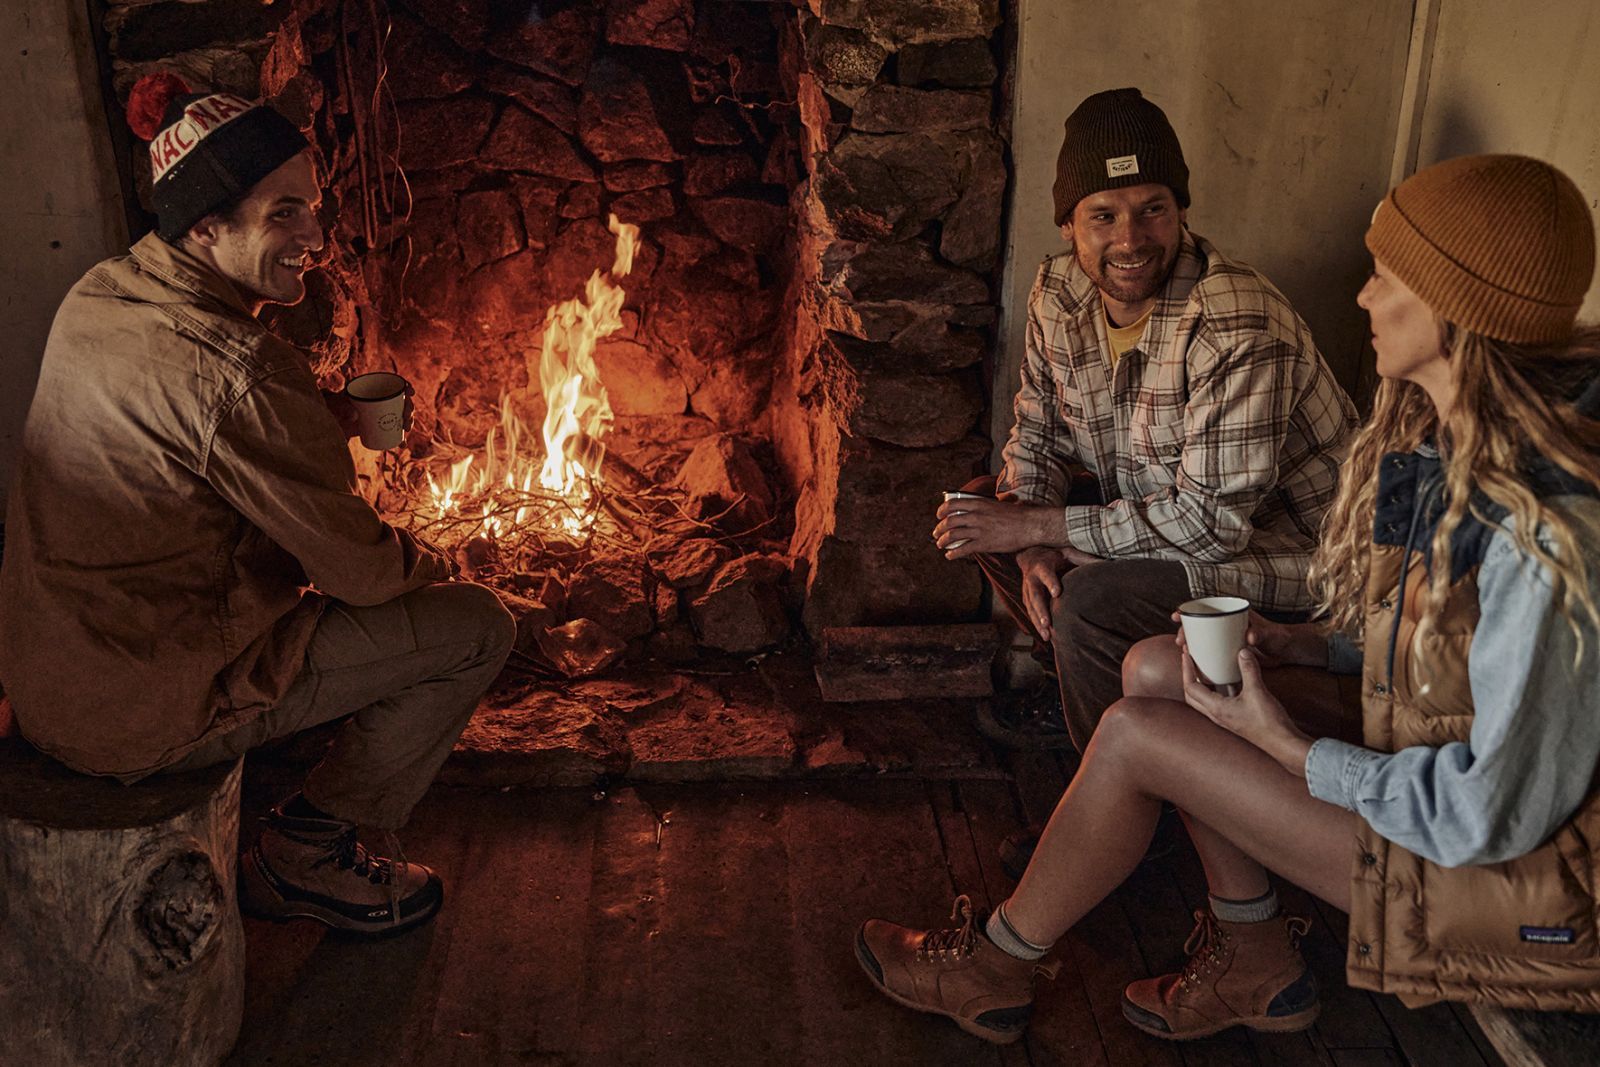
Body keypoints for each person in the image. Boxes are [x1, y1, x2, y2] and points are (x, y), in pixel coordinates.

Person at [863, 152, 1600, 1045]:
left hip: (1539, 898)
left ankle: (998, 961)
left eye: (1385, 276)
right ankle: (1252, 956)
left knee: (1139, 730)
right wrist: (1308, 648)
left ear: (1456, 309)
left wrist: (1288, 747)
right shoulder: (1440, 434)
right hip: (1435, 777)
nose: (1362, 298)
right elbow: (1437, 652)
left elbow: (1490, 815)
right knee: (1154, 668)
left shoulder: (1548, 533)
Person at [0, 74, 514, 936]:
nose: (316, 235)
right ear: (206, 224)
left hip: (56, 673)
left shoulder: (103, 294)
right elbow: (361, 574)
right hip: (141, 716)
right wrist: (438, 559)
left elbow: (198, 428)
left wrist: (319, 421)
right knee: (475, 627)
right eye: (283, 213)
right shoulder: (238, 372)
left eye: (311, 206)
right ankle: (305, 850)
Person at [936, 87, 1356, 758]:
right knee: (984, 509)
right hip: (1176, 522)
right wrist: (1034, 539)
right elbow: (1038, 433)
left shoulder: (1233, 318)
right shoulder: (1059, 291)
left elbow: (1212, 525)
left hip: (1295, 559)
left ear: (1181, 212)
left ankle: (1133, 791)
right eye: (1103, 215)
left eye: (1152, 210)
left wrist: (1043, 526)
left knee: (1092, 600)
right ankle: (1096, 691)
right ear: (1069, 224)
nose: (1130, 239)